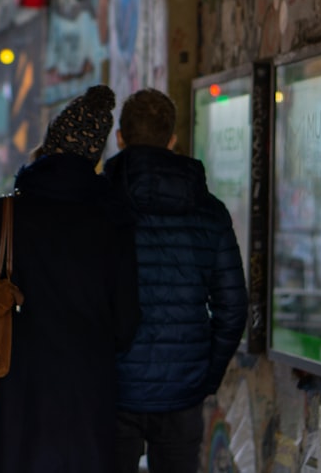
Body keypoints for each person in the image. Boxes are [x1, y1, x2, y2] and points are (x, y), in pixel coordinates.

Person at [0, 85, 141, 473]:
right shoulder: (116, 221)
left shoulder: (5, 214)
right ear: (94, 156)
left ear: (50, 144)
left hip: (23, 391)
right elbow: (126, 327)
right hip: (90, 393)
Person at [104, 88, 248, 473]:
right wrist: (206, 375)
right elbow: (233, 308)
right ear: (172, 140)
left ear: (120, 138)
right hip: (183, 388)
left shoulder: (97, 205)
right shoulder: (209, 211)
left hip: (112, 388)